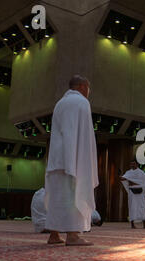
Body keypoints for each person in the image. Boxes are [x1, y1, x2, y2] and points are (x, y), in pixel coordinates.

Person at [44, 75, 99, 246]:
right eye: (89, 88)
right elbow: (81, 136)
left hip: (56, 160)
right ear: (83, 86)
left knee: (57, 198)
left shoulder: (60, 103)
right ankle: (73, 235)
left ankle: (53, 235)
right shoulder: (81, 102)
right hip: (72, 159)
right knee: (72, 195)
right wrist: (78, 164)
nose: (89, 92)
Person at [120, 160, 145, 229]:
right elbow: (123, 179)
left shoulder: (142, 173)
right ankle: (132, 225)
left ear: (137, 164)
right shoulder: (128, 172)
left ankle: (144, 224)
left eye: (133, 164)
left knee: (143, 208)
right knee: (132, 207)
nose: (132, 165)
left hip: (141, 192)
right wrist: (121, 176)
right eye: (131, 164)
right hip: (132, 192)